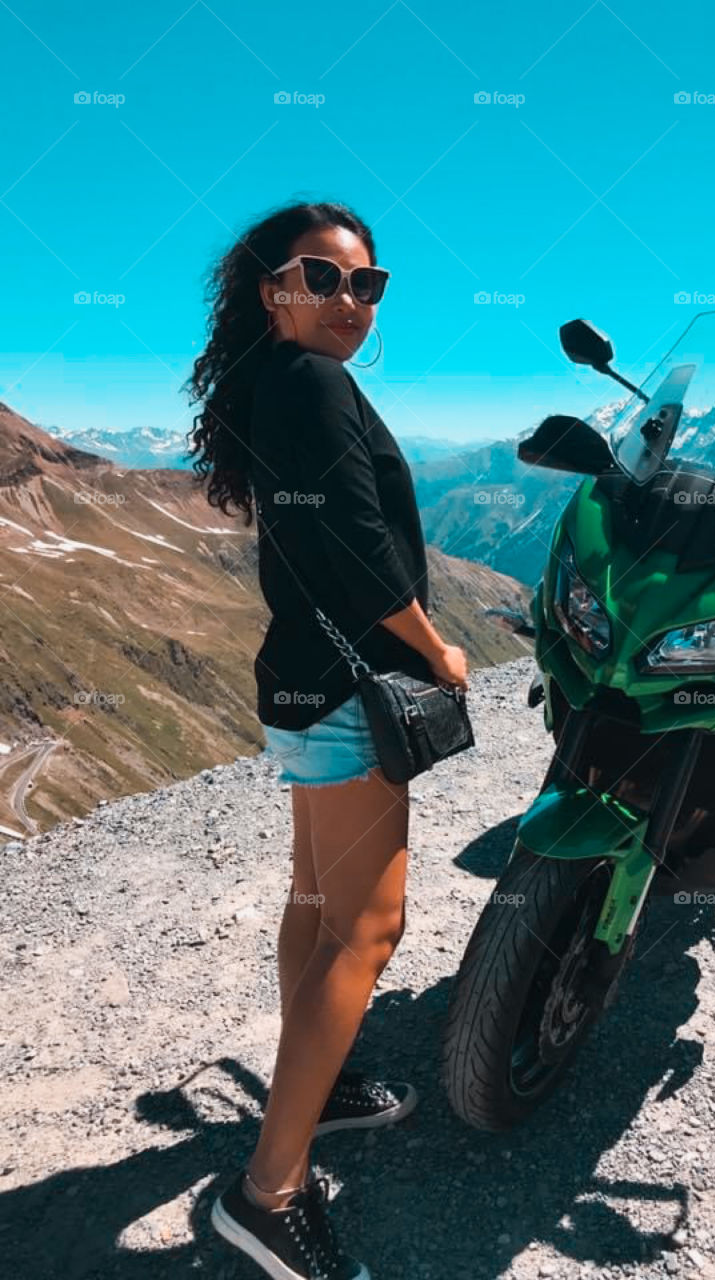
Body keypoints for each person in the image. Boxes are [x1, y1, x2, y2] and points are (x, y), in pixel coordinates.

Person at [185, 199, 469, 1280]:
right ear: (274, 288)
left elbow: (316, 529)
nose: (350, 299)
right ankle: (267, 1194)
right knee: (369, 926)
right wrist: (437, 646)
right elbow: (354, 539)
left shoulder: (269, 383)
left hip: (300, 683)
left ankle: (325, 1074)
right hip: (353, 690)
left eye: (368, 283)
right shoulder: (312, 383)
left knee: (314, 899)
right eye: (324, 276)